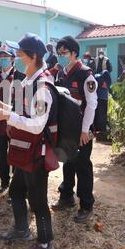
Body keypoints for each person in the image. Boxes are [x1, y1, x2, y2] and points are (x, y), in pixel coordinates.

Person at [0, 33, 57, 249]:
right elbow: (23, 112)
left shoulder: (43, 87)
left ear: (33, 57)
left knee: (38, 200)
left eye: (20, 54)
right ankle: (21, 229)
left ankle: (45, 242)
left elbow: (37, 125)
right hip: (24, 151)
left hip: (36, 153)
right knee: (16, 191)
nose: (16, 57)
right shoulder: (28, 81)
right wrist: (4, 108)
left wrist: (7, 116)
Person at [50, 36, 98, 224]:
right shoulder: (61, 73)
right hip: (67, 129)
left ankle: (86, 205)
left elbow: (92, 104)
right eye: (58, 53)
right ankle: (66, 196)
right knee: (68, 161)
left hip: (82, 130)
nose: (60, 56)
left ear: (74, 54)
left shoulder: (85, 75)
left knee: (83, 165)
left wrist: (85, 130)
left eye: (64, 53)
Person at [0, 45, 18, 193]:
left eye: (6, 57)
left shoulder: (20, 76)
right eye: (0, 57)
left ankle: (15, 183)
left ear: (12, 59)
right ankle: (4, 181)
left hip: (15, 123)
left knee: (15, 153)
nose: (3, 60)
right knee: (1, 154)